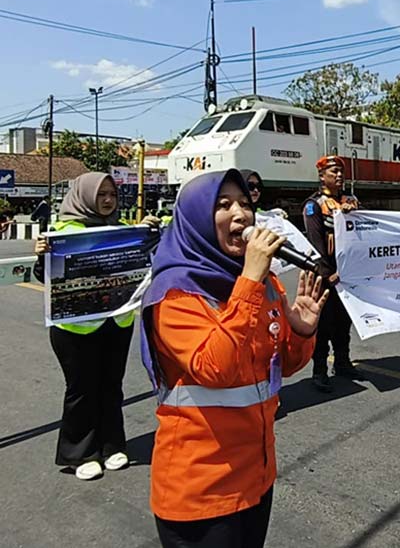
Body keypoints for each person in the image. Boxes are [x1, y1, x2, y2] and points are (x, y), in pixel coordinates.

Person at [141, 169, 323, 548]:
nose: (240, 215)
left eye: (245, 203)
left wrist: (303, 331)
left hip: (256, 477)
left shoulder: (263, 284)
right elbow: (216, 369)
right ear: (195, 220)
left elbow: (280, 366)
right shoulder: (174, 293)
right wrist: (250, 283)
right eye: (223, 206)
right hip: (200, 489)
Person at [32, 173, 159, 480]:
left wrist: (152, 230)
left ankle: (112, 445)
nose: (107, 200)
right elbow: (46, 278)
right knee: (81, 389)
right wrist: (42, 257)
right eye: (101, 194)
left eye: (112, 195)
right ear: (85, 195)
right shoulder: (63, 231)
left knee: (111, 386)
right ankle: (80, 453)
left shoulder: (123, 230)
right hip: (75, 329)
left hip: (116, 322)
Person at [302, 156, 363, 390]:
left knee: (344, 322)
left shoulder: (352, 201)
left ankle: (343, 362)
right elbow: (316, 243)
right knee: (324, 325)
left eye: (341, 172)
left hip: (348, 275)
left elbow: (368, 229)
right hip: (326, 276)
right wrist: (328, 274)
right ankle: (319, 371)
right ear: (322, 176)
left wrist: (352, 215)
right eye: (333, 172)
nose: (339, 176)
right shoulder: (314, 204)